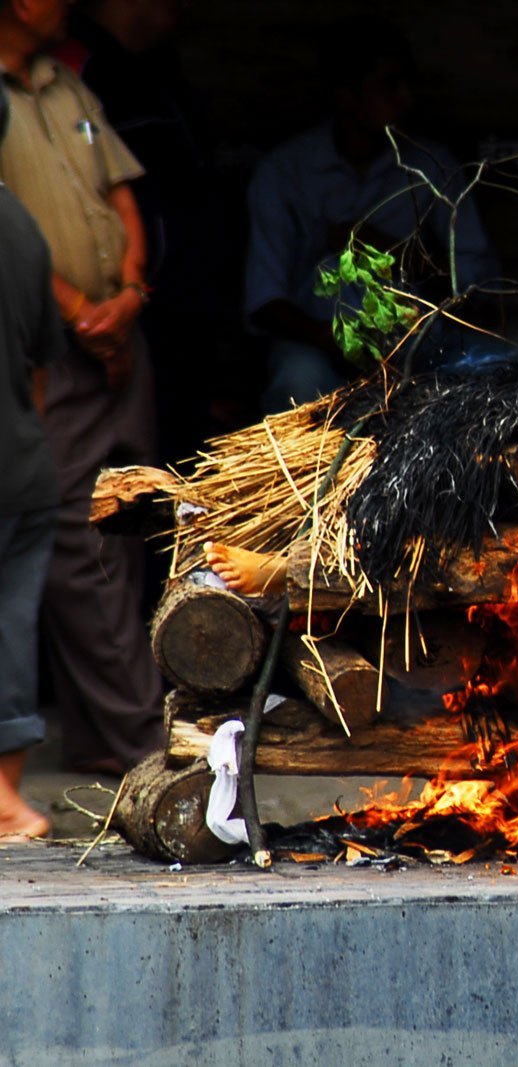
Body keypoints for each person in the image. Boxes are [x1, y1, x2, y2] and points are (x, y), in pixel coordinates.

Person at [0, 0, 164, 775]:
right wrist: (81, 316)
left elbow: (122, 193)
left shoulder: (65, 84)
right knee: (73, 534)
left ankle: (107, 734)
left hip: (116, 337)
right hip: (47, 349)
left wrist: (128, 297)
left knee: (126, 521)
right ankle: (140, 740)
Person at [244, 18, 498, 414]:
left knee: (486, 372)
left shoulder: (431, 166)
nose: (406, 100)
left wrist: (393, 251)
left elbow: (473, 284)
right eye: (389, 86)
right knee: (300, 383)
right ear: (345, 95)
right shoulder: (284, 173)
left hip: (412, 342)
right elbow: (265, 300)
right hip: (316, 343)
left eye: (408, 85)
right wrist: (342, 343)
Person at [65, 0, 239, 462]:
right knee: (116, 481)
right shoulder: (72, 71)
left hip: (179, 314)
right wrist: (105, 306)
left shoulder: (159, 69)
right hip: (114, 321)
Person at [0, 82, 63, 839]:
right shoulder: (22, 223)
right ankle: (7, 797)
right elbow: (41, 373)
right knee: (10, 626)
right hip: (20, 458)